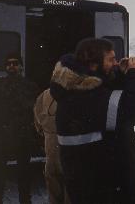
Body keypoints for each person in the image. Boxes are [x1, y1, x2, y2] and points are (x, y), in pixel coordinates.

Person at [50, 38, 118, 204]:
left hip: (82, 170)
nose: (115, 63)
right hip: (89, 176)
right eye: (110, 59)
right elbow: (132, 108)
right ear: (94, 63)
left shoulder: (71, 89)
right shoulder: (86, 96)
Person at [0, 53, 39, 204]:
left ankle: (25, 201)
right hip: (1, 137)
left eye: (15, 63)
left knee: (24, 176)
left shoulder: (30, 87)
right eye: (9, 63)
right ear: (5, 67)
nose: (12, 66)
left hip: (22, 136)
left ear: (21, 66)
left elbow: (35, 111)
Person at [101, 57, 135, 204]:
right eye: (111, 59)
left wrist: (125, 73)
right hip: (118, 157)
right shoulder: (102, 89)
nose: (116, 63)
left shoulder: (106, 84)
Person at [34, 89, 70, 204]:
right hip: (69, 145)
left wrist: (47, 131)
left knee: (53, 186)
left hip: (50, 145)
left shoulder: (44, 94)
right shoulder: (76, 93)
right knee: (70, 187)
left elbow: (37, 121)